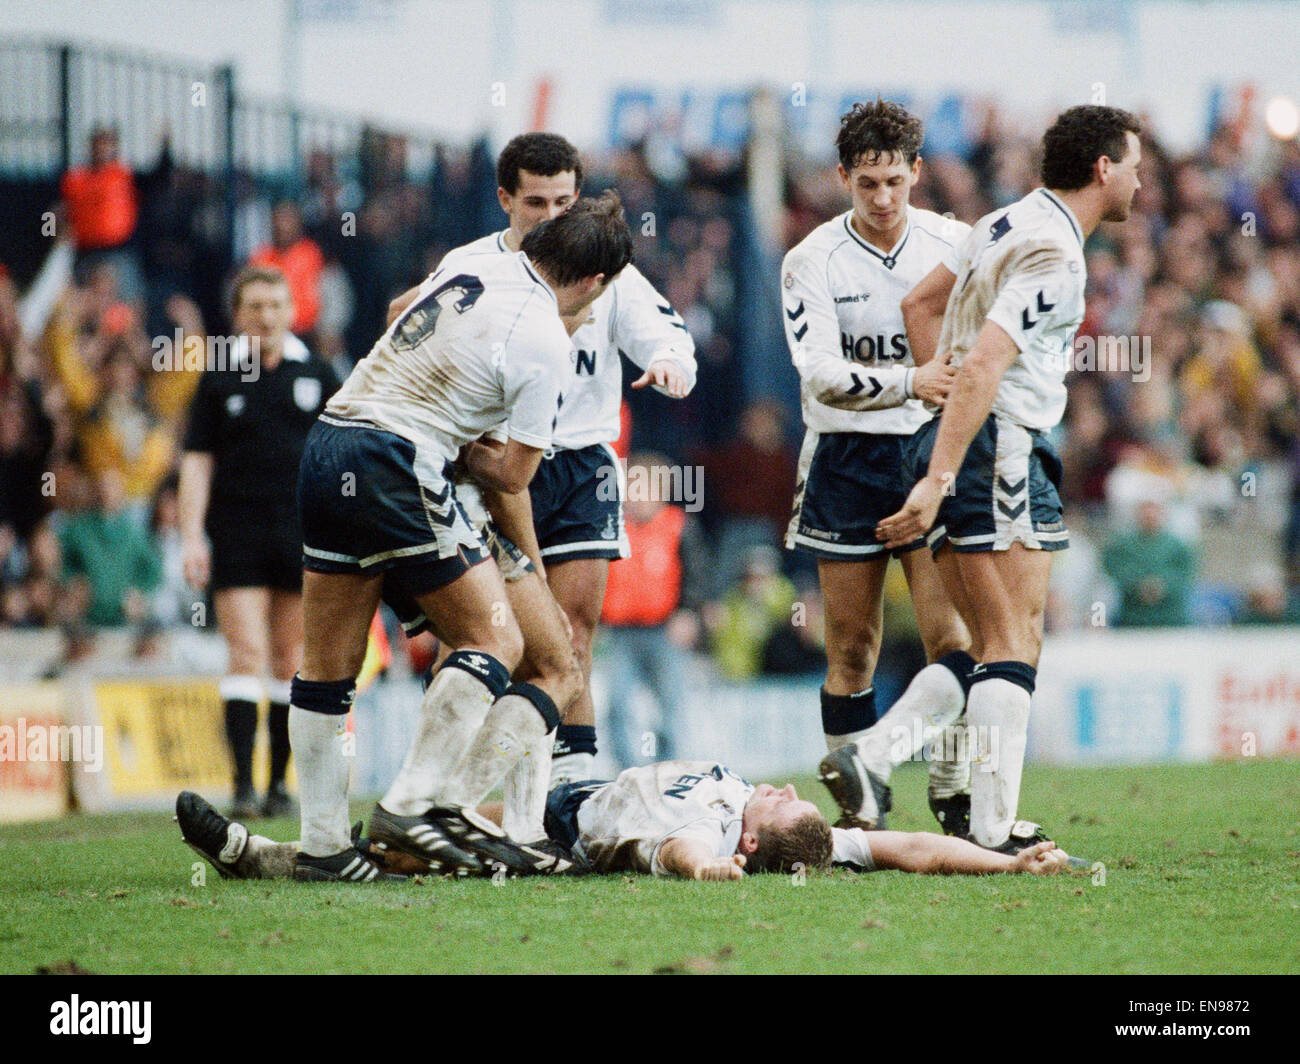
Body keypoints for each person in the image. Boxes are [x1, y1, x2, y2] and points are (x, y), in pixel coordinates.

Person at [288, 195, 631, 882]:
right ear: (594, 283)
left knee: (329, 663)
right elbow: (511, 477)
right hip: (395, 460)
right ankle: (419, 804)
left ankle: (324, 845)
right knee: (497, 639)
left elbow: (398, 320)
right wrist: (474, 449)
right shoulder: (545, 340)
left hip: (329, 442)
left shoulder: (468, 265)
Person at [828, 106, 1144, 854]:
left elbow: (920, 304)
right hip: (994, 445)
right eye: (1134, 165)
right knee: (1011, 639)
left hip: (967, 439)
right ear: (1104, 168)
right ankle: (994, 830)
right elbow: (983, 363)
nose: (1139, 180)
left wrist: (939, 424)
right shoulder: (1056, 256)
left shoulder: (1003, 221)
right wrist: (942, 472)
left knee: (986, 642)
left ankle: (873, 758)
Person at [387, 133, 697, 787]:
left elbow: (666, 334)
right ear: (504, 199)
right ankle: (443, 781)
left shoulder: (607, 271)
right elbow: (400, 320)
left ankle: (570, 782)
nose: (551, 216)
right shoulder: (473, 264)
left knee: (571, 629)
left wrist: (670, 364)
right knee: (478, 633)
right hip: (492, 466)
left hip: (581, 461)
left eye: (564, 200)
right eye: (535, 201)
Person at [780, 99, 976, 830]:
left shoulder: (955, 244)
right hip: (846, 458)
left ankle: (953, 798)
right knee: (852, 649)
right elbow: (820, 373)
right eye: (868, 184)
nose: (884, 199)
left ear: (918, 172)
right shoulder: (810, 261)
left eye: (896, 180)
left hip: (931, 451)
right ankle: (860, 814)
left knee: (952, 640)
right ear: (842, 179)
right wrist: (909, 381)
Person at [175, 763, 1076, 882]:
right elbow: (910, 846)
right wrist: (1005, 864)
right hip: (577, 788)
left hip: (555, 839)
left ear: (753, 840)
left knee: (406, 851)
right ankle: (282, 851)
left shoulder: (716, 840)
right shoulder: (812, 840)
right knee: (405, 832)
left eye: (780, 800)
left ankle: (254, 855)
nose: (782, 787)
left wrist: (709, 874)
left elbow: (675, 850)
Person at [178, 265, 339, 818]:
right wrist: (191, 535)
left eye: (275, 305)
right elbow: (196, 464)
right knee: (245, 650)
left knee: (289, 658)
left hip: (301, 532)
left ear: (291, 311)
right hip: (236, 532)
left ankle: (278, 786)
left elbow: (342, 453)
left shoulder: (318, 372)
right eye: (254, 307)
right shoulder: (218, 379)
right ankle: (242, 785)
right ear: (237, 315)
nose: (265, 316)